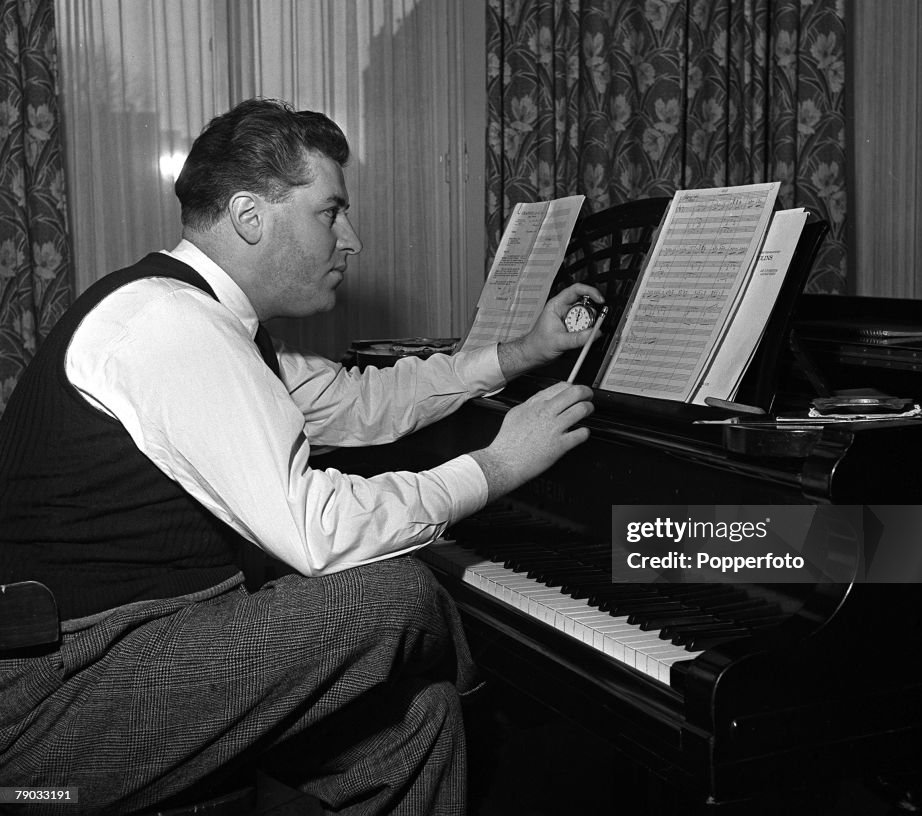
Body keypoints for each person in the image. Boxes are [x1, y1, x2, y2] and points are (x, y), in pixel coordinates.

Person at [0, 98, 600, 815]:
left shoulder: (219, 324)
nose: (352, 240)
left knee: (421, 715)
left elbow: (358, 402)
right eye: (330, 212)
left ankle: (472, 692)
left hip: (140, 651)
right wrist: (498, 466)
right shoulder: (168, 326)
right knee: (393, 593)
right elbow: (315, 535)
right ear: (252, 217)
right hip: (50, 709)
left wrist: (522, 353)